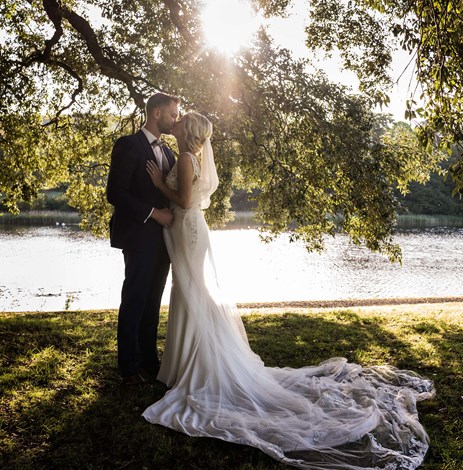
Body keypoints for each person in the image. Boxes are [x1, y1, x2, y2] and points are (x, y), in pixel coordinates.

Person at [142, 111, 435, 469]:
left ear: (187, 131)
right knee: (191, 293)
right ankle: (185, 364)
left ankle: (196, 367)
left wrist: (159, 185)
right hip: (189, 231)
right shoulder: (189, 156)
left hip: (188, 229)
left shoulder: (186, 159)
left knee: (191, 294)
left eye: (181, 120)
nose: (176, 122)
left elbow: (185, 201)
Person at [106, 92, 180, 386]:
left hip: (164, 240)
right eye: (173, 114)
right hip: (138, 236)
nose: (175, 120)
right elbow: (116, 193)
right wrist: (153, 213)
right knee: (135, 299)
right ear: (157, 113)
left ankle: (150, 361)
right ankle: (129, 368)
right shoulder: (128, 145)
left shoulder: (171, 152)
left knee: (153, 302)